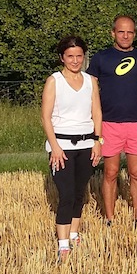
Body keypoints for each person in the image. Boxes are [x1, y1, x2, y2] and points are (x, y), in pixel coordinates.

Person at [87, 15, 137, 228]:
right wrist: (94, 126)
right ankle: (109, 218)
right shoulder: (101, 58)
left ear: (134, 34)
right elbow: (90, 93)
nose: (125, 36)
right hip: (109, 125)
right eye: (121, 32)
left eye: (130, 32)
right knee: (110, 172)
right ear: (113, 33)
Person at [41, 35, 102, 262]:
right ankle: (63, 244)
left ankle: (75, 234)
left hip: (87, 144)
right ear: (62, 58)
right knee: (66, 195)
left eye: (79, 56)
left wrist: (98, 141)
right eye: (70, 56)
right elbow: (45, 117)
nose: (75, 61)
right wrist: (55, 147)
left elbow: (97, 112)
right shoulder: (54, 81)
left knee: (79, 193)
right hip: (62, 147)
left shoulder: (90, 81)